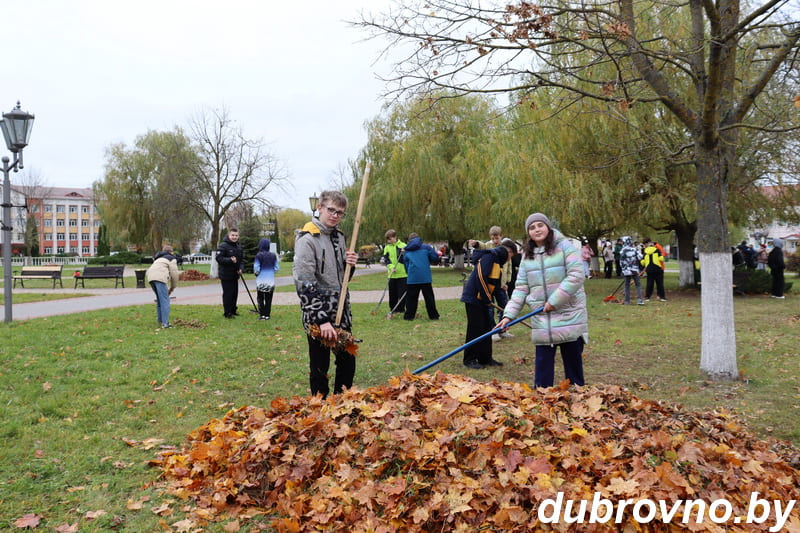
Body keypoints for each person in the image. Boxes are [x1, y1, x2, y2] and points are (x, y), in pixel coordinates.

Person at [498, 213, 587, 388]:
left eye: (540, 225)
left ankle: (579, 399)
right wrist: (508, 315)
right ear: (528, 233)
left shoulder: (565, 247)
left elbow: (576, 275)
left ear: (548, 227)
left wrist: (555, 301)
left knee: (573, 364)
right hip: (542, 319)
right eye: (532, 227)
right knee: (543, 367)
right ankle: (542, 400)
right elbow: (521, 288)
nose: (536, 229)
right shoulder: (527, 256)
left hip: (569, 314)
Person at [293, 190, 359, 397]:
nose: (335, 215)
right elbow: (304, 283)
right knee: (320, 366)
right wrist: (321, 320)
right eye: (331, 210)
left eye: (340, 213)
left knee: (347, 362)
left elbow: (342, 278)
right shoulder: (307, 239)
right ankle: (319, 409)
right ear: (319, 208)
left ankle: (341, 403)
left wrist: (350, 265)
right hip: (318, 314)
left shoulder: (339, 237)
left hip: (341, 310)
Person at [460, 239, 517, 370]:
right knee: (475, 329)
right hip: (473, 299)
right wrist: (486, 298)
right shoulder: (490, 256)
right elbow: (481, 276)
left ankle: (485, 358)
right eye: (511, 256)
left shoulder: (498, 264)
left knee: (486, 328)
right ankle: (469, 360)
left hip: (484, 301)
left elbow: (496, 288)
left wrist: (507, 311)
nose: (509, 260)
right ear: (507, 251)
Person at [470, 226, 513, 339]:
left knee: (505, 306)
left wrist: (507, 281)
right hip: (490, 283)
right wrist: (476, 243)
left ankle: (503, 329)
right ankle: (492, 330)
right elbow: (481, 246)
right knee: (490, 307)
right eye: (493, 239)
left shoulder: (506, 249)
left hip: (501, 284)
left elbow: (509, 268)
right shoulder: (489, 246)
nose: (495, 241)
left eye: (497, 238)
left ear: (501, 236)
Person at [401, 233, 440, 321]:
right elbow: (435, 257)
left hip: (412, 277)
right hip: (425, 276)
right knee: (429, 297)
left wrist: (409, 273)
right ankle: (433, 316)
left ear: (409, 240)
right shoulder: (426, 247)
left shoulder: (407, 250)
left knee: (411, 298)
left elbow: (406, 264)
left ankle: (409, 316)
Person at [145, 245, 179, 329]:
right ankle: (165, 323)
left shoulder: (158, 259)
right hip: (160, 278)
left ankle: (160, 320)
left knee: (160, 299)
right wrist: (172, 288)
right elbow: (174, 274)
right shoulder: (171, 258)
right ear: (171, 252)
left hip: (150, 277)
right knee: (165, 300)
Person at [216, 228, 243, 318]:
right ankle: (227, 312)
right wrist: (229, 260)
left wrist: (241, 268)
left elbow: (241, 260)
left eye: (236, 235)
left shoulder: (239, 246)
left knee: (234, 293)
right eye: (233, 235)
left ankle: (233, 310)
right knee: (228, 294)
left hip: (235, 274)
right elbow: (219, 259)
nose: (234, 237)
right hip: (226, 275)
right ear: (229, 236)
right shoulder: (223, 246)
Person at [382, 229, 407, 316]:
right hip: (392, 275)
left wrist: (405, 252)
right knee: (392, 294)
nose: (389, 241)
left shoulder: (403, 245)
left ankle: (401, 309)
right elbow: (386, 260)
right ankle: (393, 309)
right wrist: (391, 267)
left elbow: (407, 259)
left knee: (402, 293)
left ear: (395, 237)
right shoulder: (387, 247)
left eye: (390, 239)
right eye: (387, 239)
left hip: (403, 274)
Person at [253, 238, 279, 320]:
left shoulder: (258, 255)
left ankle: (262, 315)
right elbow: (277, 268)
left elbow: (256, 268)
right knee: (268, 299)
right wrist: (271, 273)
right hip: (270, 281)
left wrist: (257, 274)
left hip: (261, 281)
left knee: (260, 298)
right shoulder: (273, 256)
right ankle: (267, 315)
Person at [619, 236, 644, 305]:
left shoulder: (623, 250)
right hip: (635, 270)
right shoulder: (635, 249)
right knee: (638, 285)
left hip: (627, 271)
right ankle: (639, 300)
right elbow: (640, 257)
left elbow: (621, 262)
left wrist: (623, 270)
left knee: (627, 285)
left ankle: (627, 301)